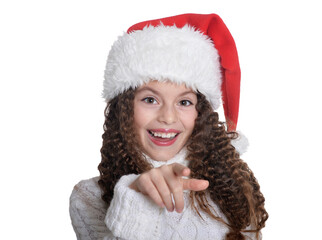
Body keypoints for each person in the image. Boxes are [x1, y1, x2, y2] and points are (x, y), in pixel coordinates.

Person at [69, 13, 268, 240]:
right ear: (124, 109)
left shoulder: (231, 188)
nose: (168, 117)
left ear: (200, 113)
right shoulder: (88, 197)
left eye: (184, 102)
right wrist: (136, 203)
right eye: (150, 100)